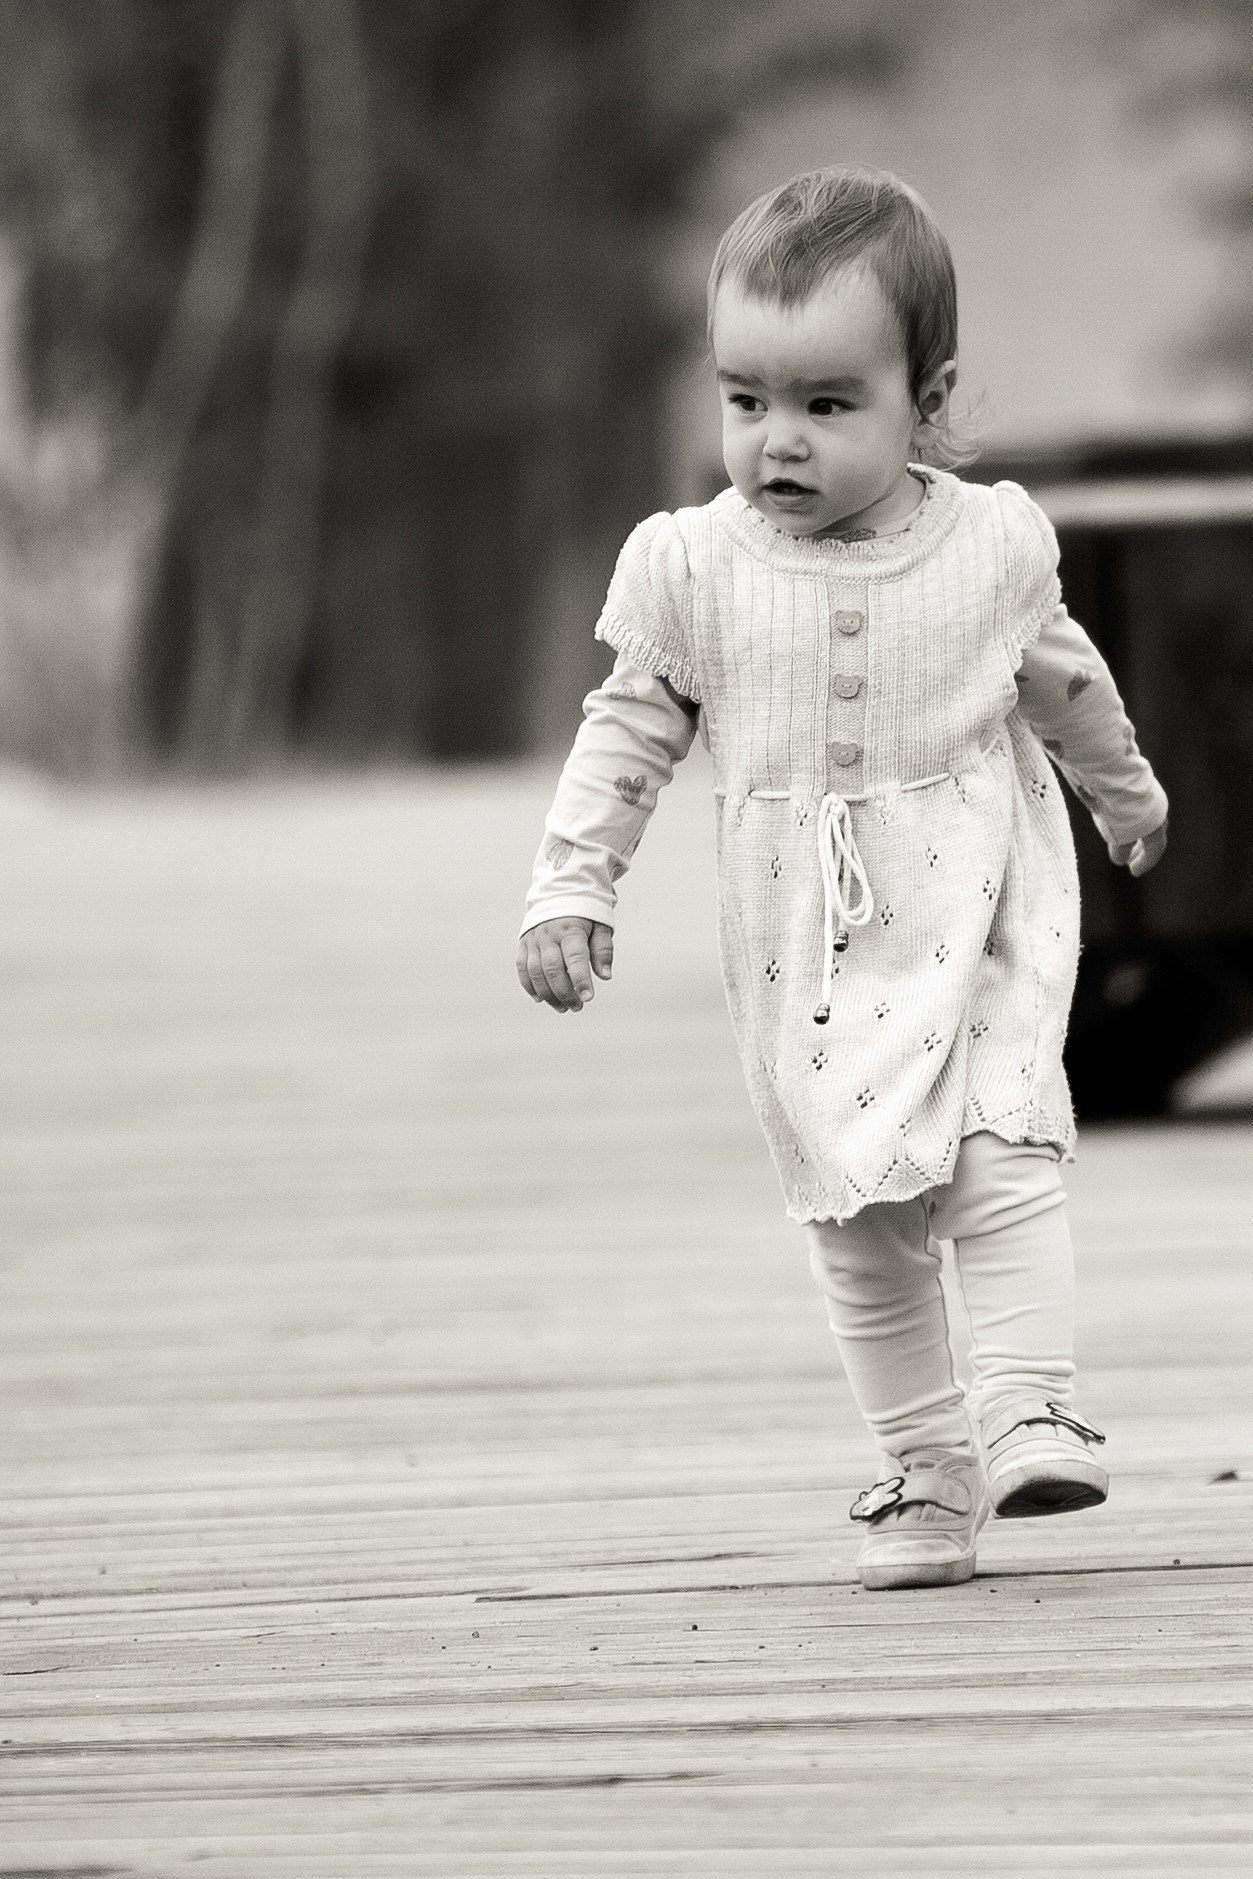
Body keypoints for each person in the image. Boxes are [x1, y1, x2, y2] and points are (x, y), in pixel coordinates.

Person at [515, 166, 1168, 1591]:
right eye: (745, 402)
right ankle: (925, 1468)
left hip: (982, 903)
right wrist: (573, 887)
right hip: (807, 948)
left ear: (924, 399)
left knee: (1005, 1146)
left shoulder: (989, 545)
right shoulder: (692, 567)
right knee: (860, 1222)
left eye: (826, 404)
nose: (776, 443)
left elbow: (1060, 681)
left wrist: (1121, 794)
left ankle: (1025, 1406)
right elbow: (627, 733)